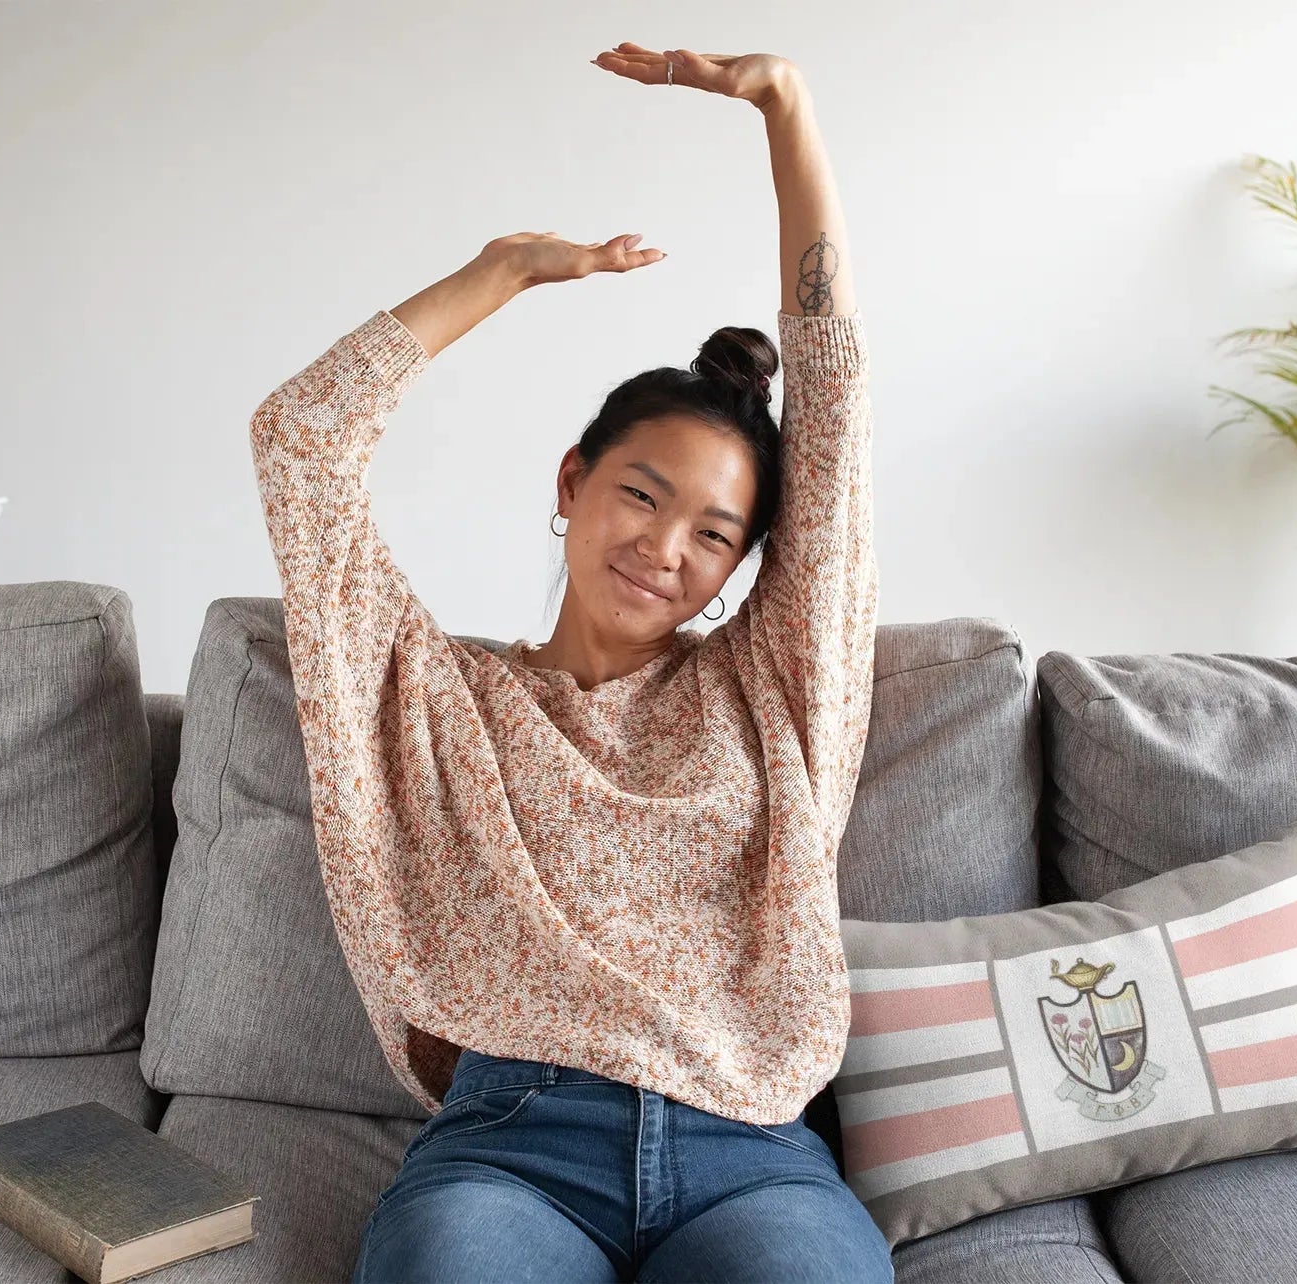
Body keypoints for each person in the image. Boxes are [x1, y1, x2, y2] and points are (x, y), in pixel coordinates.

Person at [248, 39, 889, 1283]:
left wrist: (785, 110)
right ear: (573, 481)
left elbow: (838, 405)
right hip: (511, 1150)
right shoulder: (437, 699)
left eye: (714, 535)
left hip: (747, 1147)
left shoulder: (768, 692)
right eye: (642, 497)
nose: (665, 549)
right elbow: (299, 445)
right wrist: (500, 273)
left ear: (748, 564)